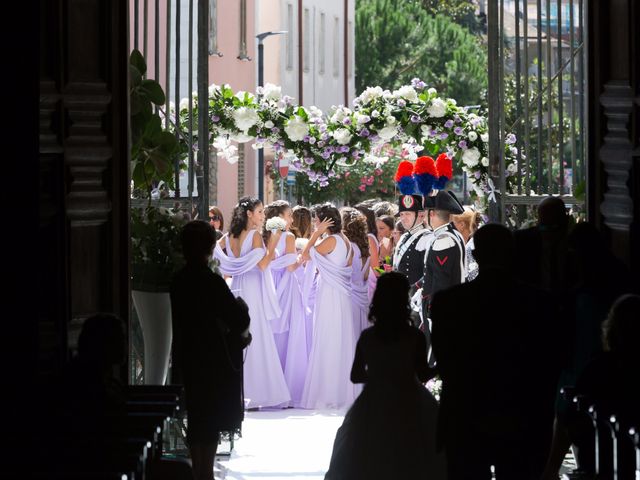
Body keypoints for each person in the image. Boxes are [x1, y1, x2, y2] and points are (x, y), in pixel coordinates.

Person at [431, 224, 558, 480]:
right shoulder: (538, 302)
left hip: (465, 414)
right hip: (519, 414)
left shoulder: (449, 301)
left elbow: (444, 360)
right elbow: (549, 363)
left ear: (475, 256)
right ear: (512, 254)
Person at [325, 272, 445, 480]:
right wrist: (442, 366)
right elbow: (423, 373)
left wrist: (380, 376)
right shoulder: (413, 336)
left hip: (374, 401)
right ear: (403, 300)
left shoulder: (368, 337)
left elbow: (355, 375)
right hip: (410, 400)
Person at [170, 220, 251, 480]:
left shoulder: (178, 280)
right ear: (210, 247)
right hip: (213, 356)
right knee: (212, 415)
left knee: (196, 414)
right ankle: (206, 473)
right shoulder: (212, 281)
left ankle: (198, 470)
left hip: (188, 354)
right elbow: (239, 320)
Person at [214, 197, 291, 409]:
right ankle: (257, 394)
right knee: (256, 336)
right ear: (249, 214)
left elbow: (217, 252)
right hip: (253, 290)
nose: (262, 216)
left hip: (237, 286)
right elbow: (264, 265)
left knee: (239, 336)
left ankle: (239, 391)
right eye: (259, 212)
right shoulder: (255, 235)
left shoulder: (229, 237)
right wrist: (274, 241)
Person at [300, 204, 358, 409]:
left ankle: (328, 392)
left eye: (317, 220)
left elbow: (306, 255)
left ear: (326, 222)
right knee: (338, 338)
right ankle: (338, 389)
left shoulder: (331, 240)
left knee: (327, 337)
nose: (315, 223)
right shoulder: (346, 241)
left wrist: (316, 234)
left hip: (330, 293)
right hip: (340, 295)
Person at [263, 200, 308, 407]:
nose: (291, 219)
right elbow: (290, 267)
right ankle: (287, 388)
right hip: (287, 288)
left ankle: (270, 387)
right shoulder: (288, 236)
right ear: (280, 217)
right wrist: (302, 259)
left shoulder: (264, 236)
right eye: (289, 215)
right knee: (290, 337)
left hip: (269, 285)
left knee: (271, 337)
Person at [420, 191, 465, 365]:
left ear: (432, 214)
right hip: (448, 306)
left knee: (435, 356)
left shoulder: (443, 239)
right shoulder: (448, 234)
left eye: (425, 213)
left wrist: (433, 310)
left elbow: (441, 282)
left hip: (444, 309)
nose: (424, 218)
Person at [341, 207, 370, 345]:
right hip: (363, 295)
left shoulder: (349, 247)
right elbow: (365, 276)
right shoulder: (364, 246)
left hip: (350, 297)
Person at [355, 203, 380, 299]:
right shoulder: (364, 237)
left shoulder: (369, 238)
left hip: (368, 283)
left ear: (364, 218)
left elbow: (375, 267)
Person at [451, 207, 481, 281]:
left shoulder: (470, 248)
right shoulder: (467, 244)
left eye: (452, 223)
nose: (450, 227)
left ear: (462, 225)